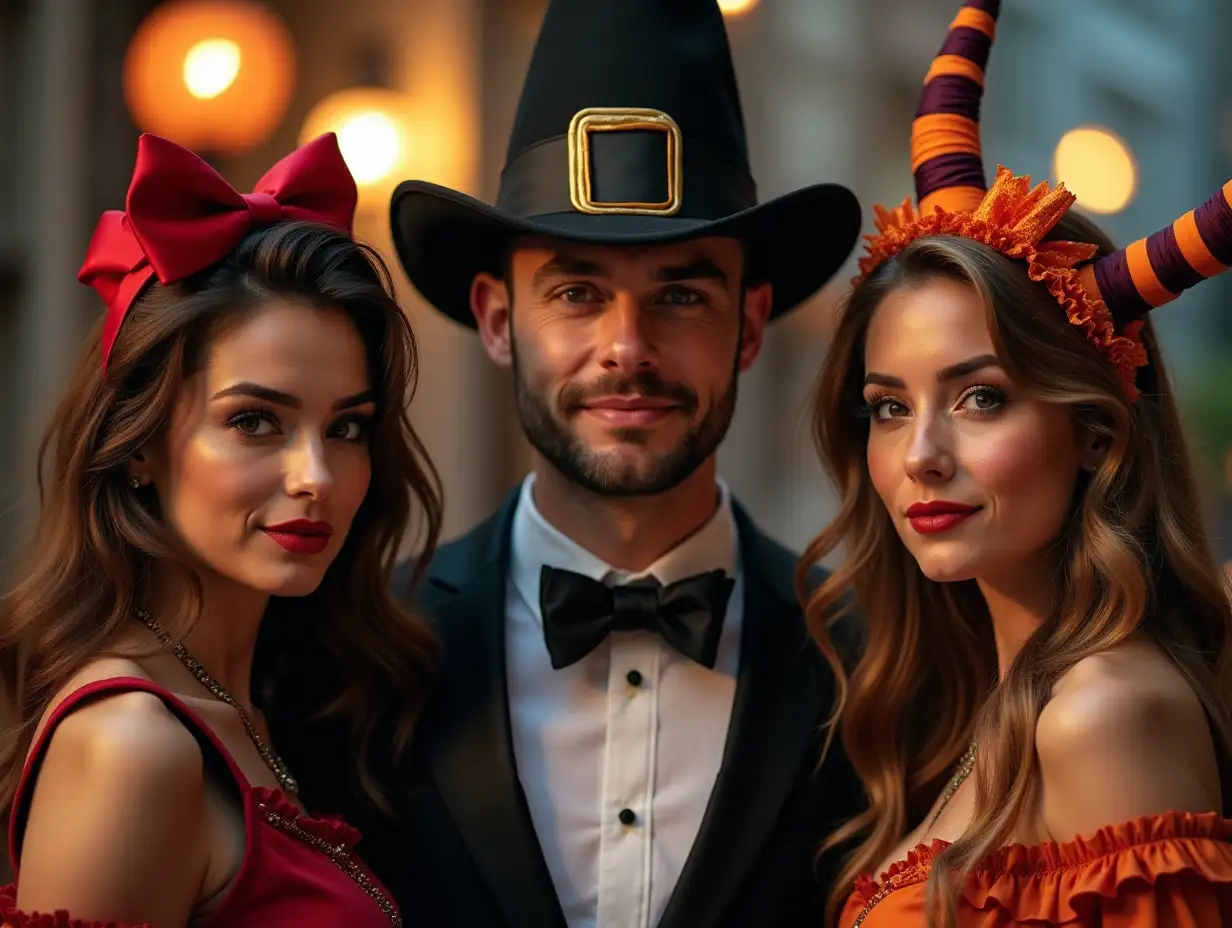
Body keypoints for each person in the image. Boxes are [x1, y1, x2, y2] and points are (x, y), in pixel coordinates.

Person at [274, 0, 866, 926]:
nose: (626, 348)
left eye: (680, 293)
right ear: (500, 320)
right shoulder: (352, 650)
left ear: (748, 325)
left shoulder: (876, 659)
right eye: (578, 292)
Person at [801, 2, 1232, 925]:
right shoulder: (991, 700)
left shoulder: (1106, 712)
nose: (921, 455)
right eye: (888, 407)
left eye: (981, 397)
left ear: (1097, 436)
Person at [0, 132, 440, 927]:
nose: (315, 475)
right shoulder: (131, 745)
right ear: (138, 447)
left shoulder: (268, 706)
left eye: (346, 429)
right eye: (255, 421)